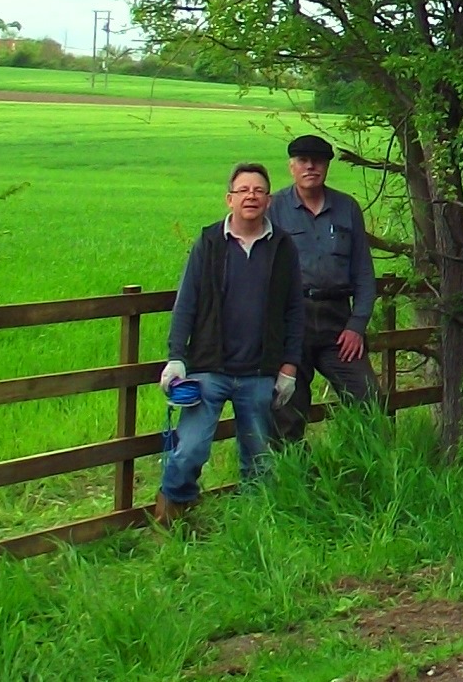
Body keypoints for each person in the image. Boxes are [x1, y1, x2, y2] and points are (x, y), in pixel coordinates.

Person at [156, 162, 303, 524]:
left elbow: (294, 310)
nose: (251, 196)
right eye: (243, 190)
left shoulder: (282, 247)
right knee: (189, 449)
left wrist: (288, 366)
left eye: (258, 190)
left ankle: (254, 528)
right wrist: (176, 358)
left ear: (269, 200)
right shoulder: (209, 243)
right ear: (229, 199)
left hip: (258, 372)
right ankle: (173, 515)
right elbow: (186, 302)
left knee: (259, 458)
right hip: (209, 368)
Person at [268, 132, 378, 444]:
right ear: (292, 167)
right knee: (287, 409)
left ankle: (365, 470)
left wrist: (357, 325)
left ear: (327, 166)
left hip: (338, 322)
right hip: (294, 321)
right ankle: (289, 482)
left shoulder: (347, 208)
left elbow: (364, 274)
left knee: (367, 398)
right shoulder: (274, 209)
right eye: (303, 161)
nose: (311, 167)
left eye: (318, 161)